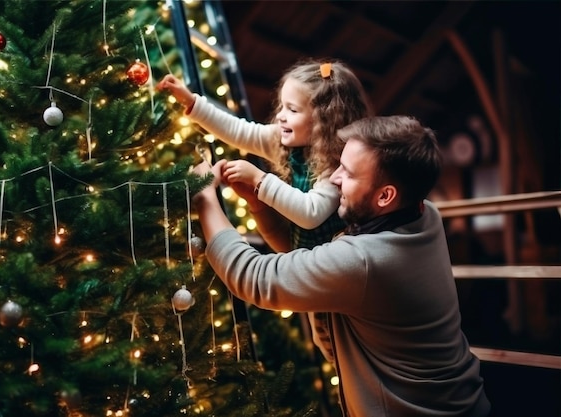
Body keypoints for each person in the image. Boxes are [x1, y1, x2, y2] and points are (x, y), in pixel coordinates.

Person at [191, 115, 491, 417]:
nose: (333, 179)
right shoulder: (424, 215)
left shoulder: (366, 261)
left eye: (348, 173)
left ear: (386, 196)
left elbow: (253, 278)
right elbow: (305, 256)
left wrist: (204, 197)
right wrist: (258, 202)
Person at [157, 59, 371, 251]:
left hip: (331, 266)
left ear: (324, 121)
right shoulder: (283, 141)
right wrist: (192, 103)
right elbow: (239, 131)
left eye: (292, 110)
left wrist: (259, 180)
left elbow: (310, 214)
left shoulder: (337, 166)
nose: (280, 116)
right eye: (282, 106)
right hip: (301, 258)